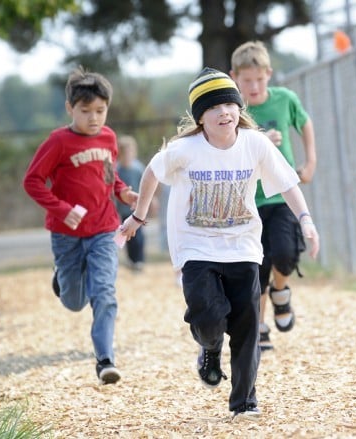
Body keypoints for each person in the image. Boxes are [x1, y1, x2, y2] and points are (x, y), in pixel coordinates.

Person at [118, 67, 320, 418]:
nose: (224, 112)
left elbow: (287, 182)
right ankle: (210, 347)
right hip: (195, 247)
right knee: (209, 317)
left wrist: (306, 221)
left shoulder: (254, 144)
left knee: (246, 327)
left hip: (242, 246)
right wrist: (138, 216)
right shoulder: (186, 149)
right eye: (214, 108)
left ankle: (244, 402)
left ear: (239, 109)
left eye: (230, 104)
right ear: (201, 117)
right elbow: (152, 171)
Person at [23, 66, 137, 384]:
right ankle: (62, 277)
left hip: (104, 229)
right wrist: (61, 209)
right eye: (85, 111)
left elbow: (108, 176)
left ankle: (105, 360)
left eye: (100, 111)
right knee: (74, 302)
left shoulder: (109, 137)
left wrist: (123, 192)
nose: (94, 118)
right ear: (70, 108)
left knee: (104, 293)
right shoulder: (58, 142)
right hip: (67, 235)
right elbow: (32, 180)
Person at [230, 40, 317, 351]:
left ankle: (281, 293)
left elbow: (305, 124)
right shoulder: (233, 111)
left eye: (259, 79)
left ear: (269, 74)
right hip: (249, 199)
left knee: (285, 254)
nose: (253, 86)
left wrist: (310, 162)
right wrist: (260, 141)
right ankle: (260, 327)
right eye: (246, 80)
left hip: (281, 193)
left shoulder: (284, 99)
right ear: (234, 77)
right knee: (258, 264)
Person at [115, 135, 147, 271]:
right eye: (124, 153)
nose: (127, 156)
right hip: (122, 210)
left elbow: (147, 185)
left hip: (137, 209)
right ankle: (131, 260)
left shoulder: (138, 168)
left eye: (130, 152)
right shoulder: (116, 170)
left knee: (138, 236)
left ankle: (139, 260)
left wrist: (151, 201)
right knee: (126, 236)